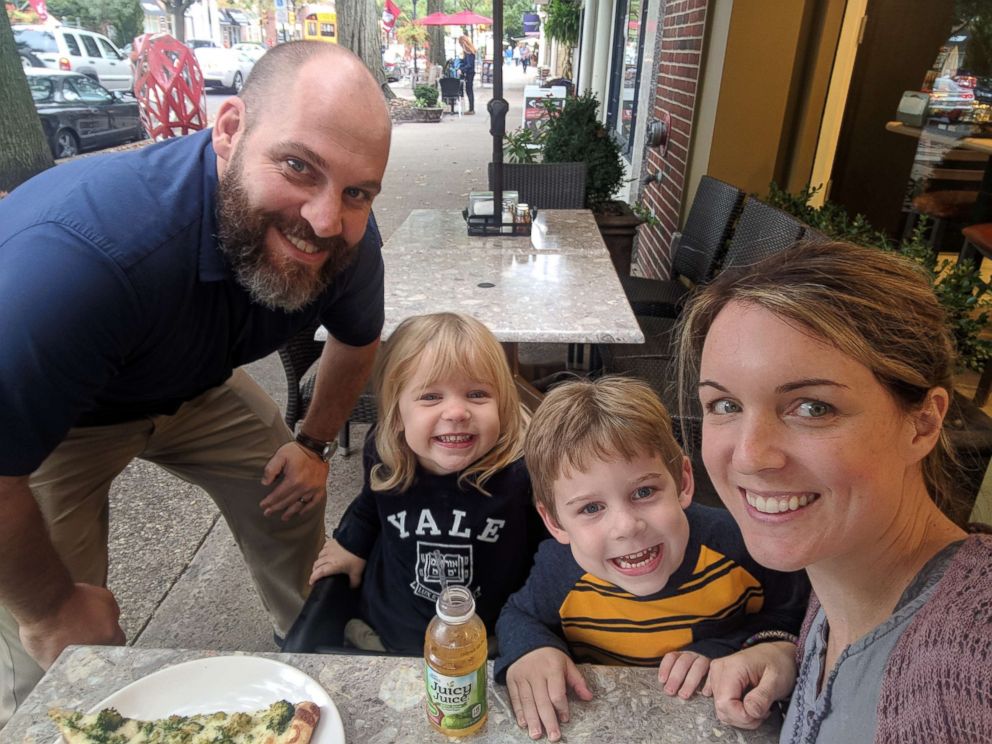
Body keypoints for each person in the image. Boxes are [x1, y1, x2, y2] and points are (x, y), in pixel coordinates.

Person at [0, 41, 391, 724]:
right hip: (65, 422)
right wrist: (52, 605)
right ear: (231, 128)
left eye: (356, 191)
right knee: (53, 644)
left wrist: (314, 443)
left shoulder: (347, 237)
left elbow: (358, 339)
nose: (326, 219)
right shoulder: (80, 261)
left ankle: (306, 642)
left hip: (198, 385)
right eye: (299, 166)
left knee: (288, 493)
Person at [676, 241, 992, 743]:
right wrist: (790, 656)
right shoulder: (836, 582)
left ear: (923, 423)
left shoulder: (967, 664)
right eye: (725, 405)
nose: (750, 456)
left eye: (813, 408)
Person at [494, 377, 810, 742]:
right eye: (591, 508)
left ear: (683, 482)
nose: (626, 526)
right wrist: (532, 649)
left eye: (644, 492)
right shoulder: (560, 570)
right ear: (554, 522)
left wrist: (749, 647)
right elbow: (519, 615)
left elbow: (796, 616)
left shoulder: (741, 542)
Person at [308, 312, 545, 653]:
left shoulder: (519, 473)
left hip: (489, 637)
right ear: (397, 412)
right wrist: (351, 545)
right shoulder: (386, 454)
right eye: (431, 397)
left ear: (503, 405)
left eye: (477, 394)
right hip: (390, 627)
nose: (456, 412)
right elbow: (371, 503)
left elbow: (550, 546)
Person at [458, 35, 477, 115]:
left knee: (469, 90)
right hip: (470, 73)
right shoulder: (470, 51)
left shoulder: (468, 51)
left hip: (469, 73)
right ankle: (471, 108)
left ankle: (471, 109)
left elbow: (469, 64)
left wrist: (461, 69)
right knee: (469, 90)